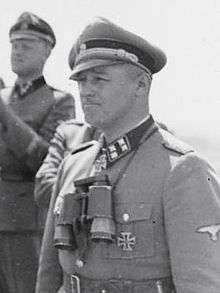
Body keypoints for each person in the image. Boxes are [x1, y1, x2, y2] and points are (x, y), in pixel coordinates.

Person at [36, 17, 220, 293]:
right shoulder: (73, 165)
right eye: (82, 80)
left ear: (141, 85)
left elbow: (200, 285)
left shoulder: (182, 170)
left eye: (99, 79)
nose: (86, 91)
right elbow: (49, 278)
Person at [0, 11, 74, 293]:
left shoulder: (60, 101)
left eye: (27, 45)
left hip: (24, 223)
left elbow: (45, 161)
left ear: (46, 51)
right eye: (14, 44)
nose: (18, 51)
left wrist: (4, 113)